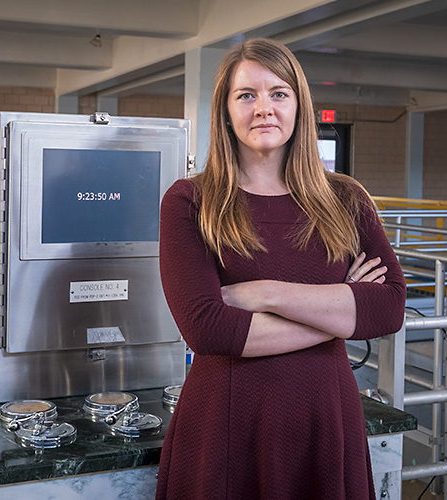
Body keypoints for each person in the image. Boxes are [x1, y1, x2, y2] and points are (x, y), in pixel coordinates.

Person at [156, 38, 406, 500]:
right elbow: (207, 329)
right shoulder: (190, 201)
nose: (263, 109)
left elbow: (388, 309)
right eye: (246, 95)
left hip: (325, 417)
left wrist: (265, 293)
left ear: (299, 106)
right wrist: (339, 314)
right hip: (227, 423)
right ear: (226, 111)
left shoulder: (346, 199)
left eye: (279, 93)